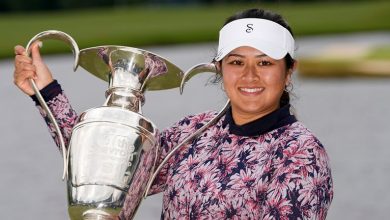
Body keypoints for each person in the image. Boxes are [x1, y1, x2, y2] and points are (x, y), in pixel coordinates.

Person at [14, 8, 333, 220]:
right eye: (236, 62)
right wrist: (46, 92)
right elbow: (101, 167)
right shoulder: (195, 131)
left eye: (265, 63)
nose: (249, 76)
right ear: (219, 68)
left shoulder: (301, 153)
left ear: (289, 71)